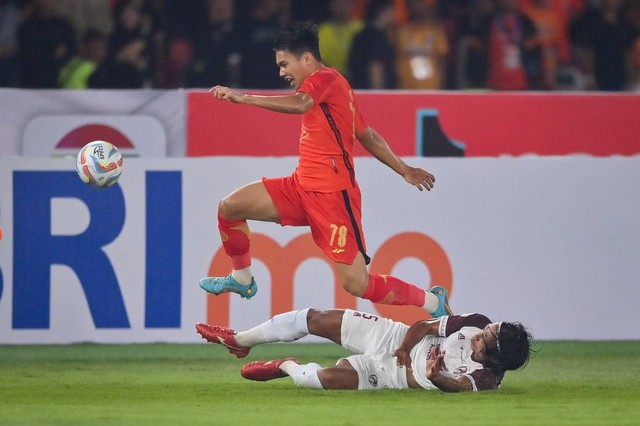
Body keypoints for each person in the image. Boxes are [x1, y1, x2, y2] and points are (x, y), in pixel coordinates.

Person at [201, 21, 451, 318]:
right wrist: (404, 169)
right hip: (299, 187)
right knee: (229, 207)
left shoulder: (326, 79)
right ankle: (242, 279)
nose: (281, 72)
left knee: (357, 284)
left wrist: (243, 97)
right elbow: (367, 134)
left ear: (306, 59)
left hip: (333, 198)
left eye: (284, 64)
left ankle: (433, 303)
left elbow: (301, 104)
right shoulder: (335, 88)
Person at [195, 307, 534, 392]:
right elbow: (424, 327)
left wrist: (434, 375)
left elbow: (456, 386)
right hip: (393, 338)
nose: (479, 334)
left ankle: (284, 365)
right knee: (313, 318)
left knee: (322, 380)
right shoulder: (475, 321)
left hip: (392, 377)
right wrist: (403, 346)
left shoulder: (487, 377)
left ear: (494, 355)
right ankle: (239, 341)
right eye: (486, 330)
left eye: (484, 339)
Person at [347, 0, 398, 89]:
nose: (394, 16)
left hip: (358, 91)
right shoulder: (377, 38)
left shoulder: (359, 35)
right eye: (392, 11)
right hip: (373, 93)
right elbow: (375, 68)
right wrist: (378, 93)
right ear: (382, 12)